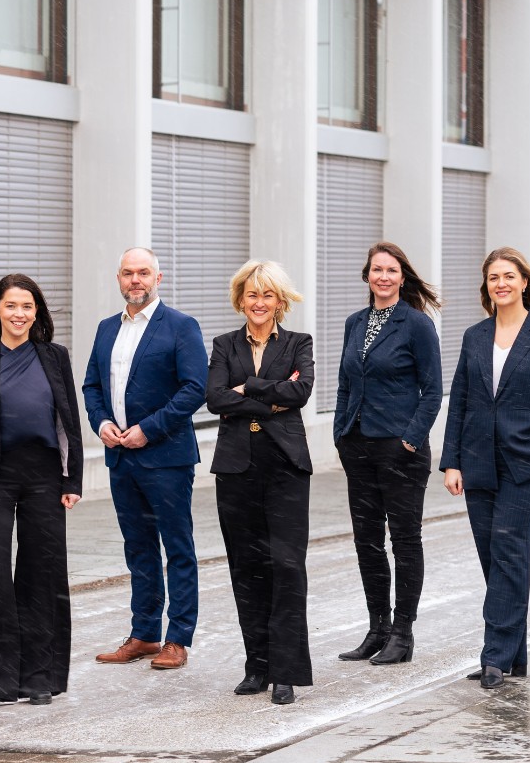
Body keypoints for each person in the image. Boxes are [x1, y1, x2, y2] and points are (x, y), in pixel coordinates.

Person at [440, 247, 530, 689]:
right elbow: (460, 400)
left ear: (524, 282)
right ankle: (513, 654)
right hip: (477, 462)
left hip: (525, 465)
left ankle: (494, 657)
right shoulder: (475, 336)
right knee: (494, 557)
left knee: (508, 551)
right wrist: (451, 462)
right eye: (493, 278)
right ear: (486, 287)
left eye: (508, 276)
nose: (501, 284)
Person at [0, 274, 84, 711]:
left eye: (27, 306)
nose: (19, 314)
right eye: (10, 305)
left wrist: (73, 479)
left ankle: (38, 676)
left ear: (36, 311)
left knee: (41, 574)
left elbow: (69, 419)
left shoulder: (55, 357)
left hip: (45, 478)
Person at [83, 247, 207, 671]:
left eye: (143, 273)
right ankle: (144, 634)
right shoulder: (106, 328)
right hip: (120, 457)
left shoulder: (181, 326)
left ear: (158, 278)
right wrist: (102, 423)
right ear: (119, 278)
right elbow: (91, 386)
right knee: (138, 548)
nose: (135, 280)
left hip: (166, 458)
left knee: (178, 548)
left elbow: (194, 389)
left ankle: (178, 638)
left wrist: (148, 429)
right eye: (127, 273)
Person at [206, 260, 314, 705]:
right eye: (252, 294)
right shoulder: (224, 344)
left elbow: (301, 391)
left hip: (286, 466)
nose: (259, 302)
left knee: (286, 566)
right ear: (240, 299)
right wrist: (270, 396)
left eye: (268, 294)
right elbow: (214, 399)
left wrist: (246, 388)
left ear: (280, 301)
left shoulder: (299, 342)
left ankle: (286, 671)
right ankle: (258, 666)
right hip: (236, 469)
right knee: (246, 568)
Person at [333, 242, 443, 666]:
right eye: (377, 270)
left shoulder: (416, 324)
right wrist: (341, 434)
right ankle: (377, 629)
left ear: (402, 277)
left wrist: (410, 440)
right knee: (366, 541)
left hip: (401, 450)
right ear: (367, 275)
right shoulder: (354, 323)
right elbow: (345, 384)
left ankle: (402, 632)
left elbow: (433, 391)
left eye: (391, 270)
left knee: (404, 540)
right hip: (357, 446)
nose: (383, 277)